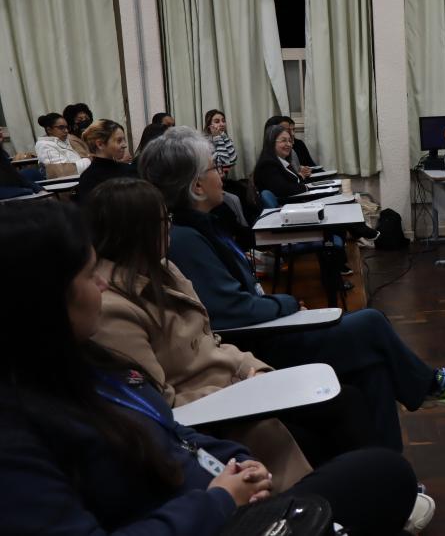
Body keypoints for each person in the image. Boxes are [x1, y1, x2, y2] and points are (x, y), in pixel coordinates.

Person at [0, 199, 419, 535]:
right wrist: (220, 499)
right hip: (209, 501)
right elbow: (172, 403)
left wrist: (235, 458)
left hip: (215, 477)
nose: (102, 284)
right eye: (89, 274)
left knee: (378, 453)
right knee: (359, 387)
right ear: (44, 296)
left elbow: (170, 427)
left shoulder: (88, 359)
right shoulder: (20, 433)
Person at [140, 127, 445, 452]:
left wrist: (277, 305)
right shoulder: (187, 239)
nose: (222, 172)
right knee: (370, 323)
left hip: (267, 331)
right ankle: (426, 385)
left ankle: (395, 476)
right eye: (214, 167)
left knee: (374, 366)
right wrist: (286, 304)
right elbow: (231, 311)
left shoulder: (203, 227)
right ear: (197, 187)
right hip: (256, 350)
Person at [85, 177, 378, 469]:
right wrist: (239, 391)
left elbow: (212, 342)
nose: (169, 227)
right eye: (163, 220)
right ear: (136, 231)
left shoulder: (164, 270)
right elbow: (158, 403)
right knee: (332, 414)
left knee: (345, 398)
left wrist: (257, 372)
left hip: (238, 386)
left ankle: (384, 491)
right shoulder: (113, 309)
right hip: (214, 417)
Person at [75, 119, 136, 202]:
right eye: (119, 141)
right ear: (100, 144)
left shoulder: (87, 177)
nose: (124, 145)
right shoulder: (90, 179)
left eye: (124, 140)